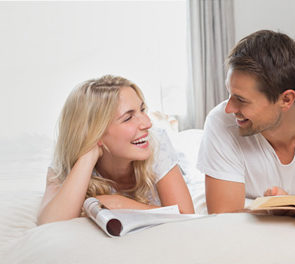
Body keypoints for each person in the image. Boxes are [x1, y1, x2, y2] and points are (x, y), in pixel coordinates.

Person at [197, 30, 295, 214]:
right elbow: (224, 219)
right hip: (249, 213)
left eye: (241, 99)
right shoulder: (220, 122)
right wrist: (278, 211)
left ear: (286, 100)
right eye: (230, 94)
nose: (229, 108)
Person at [37, 75, 194, 225]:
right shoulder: (67, 161)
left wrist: (122, 204)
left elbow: (187, 217)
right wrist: (89, 155)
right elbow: (51, 223)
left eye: (142, 110)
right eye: (128, 118)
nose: (147, 123)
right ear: (95, 132)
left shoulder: (156, 143)